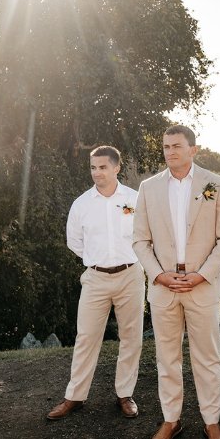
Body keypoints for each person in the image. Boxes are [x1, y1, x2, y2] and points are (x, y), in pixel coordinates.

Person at [132, 125, 220, 439]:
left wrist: (202, 275)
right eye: (165, 146)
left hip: (201, 286)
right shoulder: (148, 188)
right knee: (167, 357)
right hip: (164, 287)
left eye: (177, 146)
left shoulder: (215, 184)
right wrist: (158, 275)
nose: (170, 151)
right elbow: (140, 240)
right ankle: (171, 419)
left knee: (207, 357)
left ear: (193, 149)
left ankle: (211, 421)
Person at [47, 145, 144, 422]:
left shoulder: (135, 199)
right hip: (95, 278)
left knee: (131, 338)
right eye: (93, 167)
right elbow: (74, 241)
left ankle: (125, 394)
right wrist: (96, 258)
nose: (97, 173)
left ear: (116, 168)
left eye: (103, 167)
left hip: (130, 275)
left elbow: (144, 235)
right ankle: (74, 397)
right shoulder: (81, 204)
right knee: (86, 337)